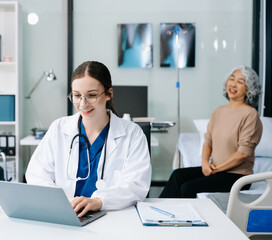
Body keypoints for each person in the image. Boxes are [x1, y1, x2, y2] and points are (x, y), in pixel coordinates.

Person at [25, 61, 151, 216]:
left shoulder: (132, 134)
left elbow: (136, 186)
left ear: (109, 94)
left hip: (113, 216)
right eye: (77, 96)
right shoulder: (58, 128)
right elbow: (37, 174)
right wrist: (60, 203)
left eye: (91, 95)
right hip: (66, 214)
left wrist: (99, 201)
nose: (83, 104)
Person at [159, 66, 263, 198]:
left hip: (237, 176)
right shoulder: (218, 111)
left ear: (249, 88)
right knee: (178, 175)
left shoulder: (250, 114)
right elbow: (208, 142)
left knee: (188, 187)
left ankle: (183, 218)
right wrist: (205, 163)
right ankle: (157, 214)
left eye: (240, 81)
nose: (233, 84)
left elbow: (243, 154)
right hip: (215, 170)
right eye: (232, 78)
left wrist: (216, 169)